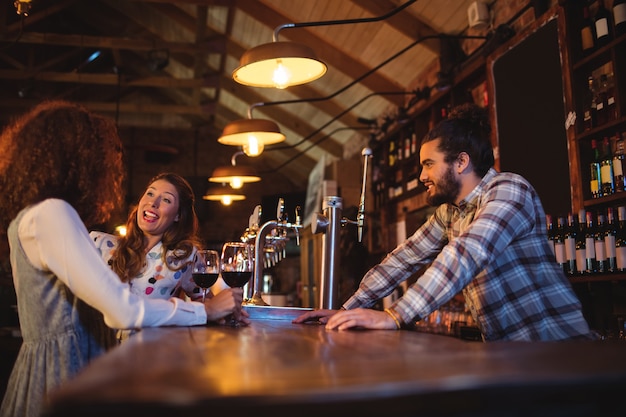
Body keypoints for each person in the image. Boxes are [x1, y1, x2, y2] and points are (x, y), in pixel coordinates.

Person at [0, 100, 247, 417]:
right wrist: (206, 311)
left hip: (64, 364)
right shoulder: (53, 213)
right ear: (73, 158)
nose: (103, 167)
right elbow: (121, 310)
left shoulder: (31, 216)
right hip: (63, 370)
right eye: (96, 156)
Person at [294, 103, 595, 342]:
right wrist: (347, 309)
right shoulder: (450, 212)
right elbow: (404, 258)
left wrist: (394, 316)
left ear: (461, 162)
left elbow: (467, 253)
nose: (422, 176)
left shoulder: (509, 190)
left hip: (560, 350)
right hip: (514, 358)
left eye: (428, 164)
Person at [90, 172, 206, 302]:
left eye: (166, 200)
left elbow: (204, 300)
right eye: (150, 193)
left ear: (178, 215)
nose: (153, 203)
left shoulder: (184, 256)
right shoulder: (98, 243)